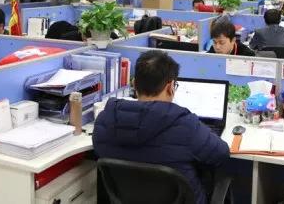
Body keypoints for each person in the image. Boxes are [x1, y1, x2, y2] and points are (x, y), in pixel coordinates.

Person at [93, 50, 230, 204]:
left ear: (134, 84)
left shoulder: (104, 120)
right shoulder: (185, 125)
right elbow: (222, 154)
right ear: (170, 87)